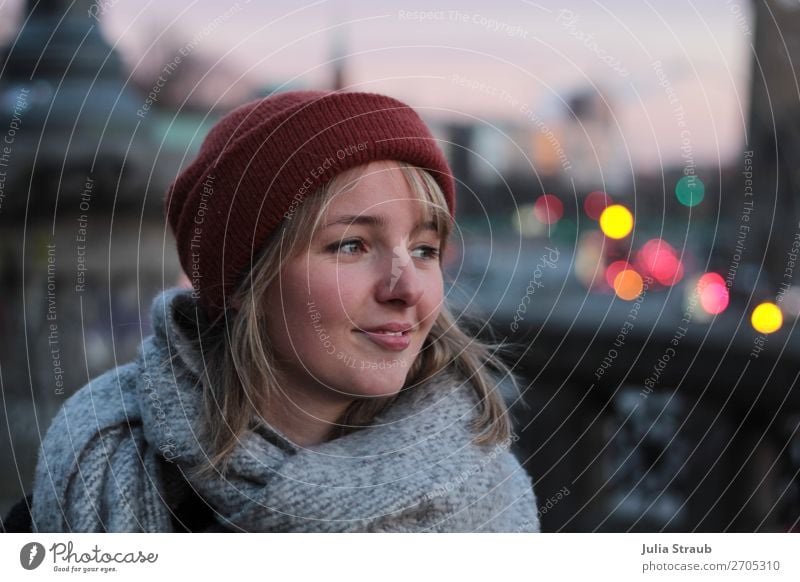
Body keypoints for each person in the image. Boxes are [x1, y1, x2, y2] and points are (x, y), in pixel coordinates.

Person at [27, 90, 541, 532]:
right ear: (243, 281)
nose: (407, 288)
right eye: (352, 245)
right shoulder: (98, 470)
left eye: (425, 250)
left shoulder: (486, 504)